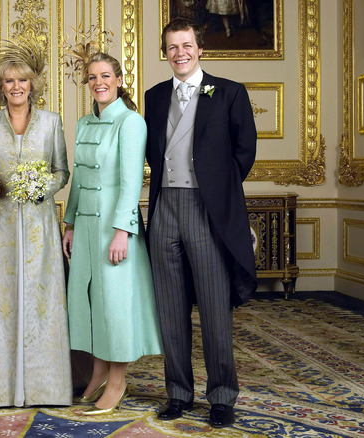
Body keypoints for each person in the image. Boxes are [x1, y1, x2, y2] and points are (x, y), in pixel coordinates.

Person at [145, 17, 256, 428]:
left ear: (200, 48)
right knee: (170, 309)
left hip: (206, 211)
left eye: (186, 45)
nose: (180, 53)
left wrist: (216, 189)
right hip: (164, 210)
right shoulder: (155, 97)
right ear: (166, 52)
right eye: (173, 47)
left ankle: (222, 396)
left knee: (213, 309)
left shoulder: (228, 92)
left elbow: (244, 151)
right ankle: (178, 393)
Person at [0, 39, 71, 408]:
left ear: (32, 85)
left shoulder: (52, 122)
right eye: (8, 82)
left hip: (41, 226)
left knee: (42, 302)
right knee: (0, 301)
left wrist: (46, 186)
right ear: (0, 87)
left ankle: (46, 388)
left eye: (22, 81)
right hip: (0, 226)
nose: (15, 88)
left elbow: (63, 171)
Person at [61, 52, 162, 416]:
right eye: (92, 77)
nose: (98, 82)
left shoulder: (131, 122)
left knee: (116, 306)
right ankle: (99, 371)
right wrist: (70, 223)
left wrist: (123, 231)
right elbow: (79, 178)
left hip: (115, 228)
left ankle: (118, 380)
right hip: (85, 226)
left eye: (105, 75)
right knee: (89, 302)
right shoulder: (84, 123)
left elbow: (131, 182)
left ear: (119, 80)